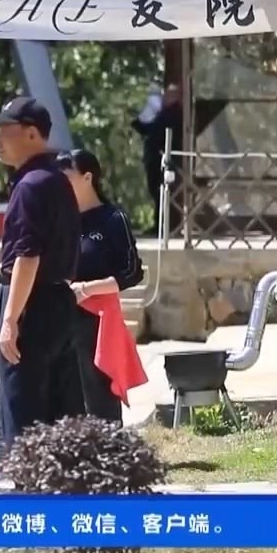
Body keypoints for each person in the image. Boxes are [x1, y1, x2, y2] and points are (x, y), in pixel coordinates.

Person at [0, 96, 82, 450]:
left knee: (24, 413)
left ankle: (26, 481)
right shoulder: (56, 180)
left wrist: (10, 320)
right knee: (58, 414)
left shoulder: (31, 185)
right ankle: (58, 479)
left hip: (30, 302)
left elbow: (27, 255)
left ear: (31, 134)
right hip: (58, 301)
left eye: (5, 131)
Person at [56, 149, 144, 422]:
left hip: (97, 321)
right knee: (65, 398)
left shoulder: (113, 219)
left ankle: (108, 446)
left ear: (87, 177)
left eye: (66, 175)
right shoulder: (59, 220)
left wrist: (86, 290)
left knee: (99, 398)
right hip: (60, 318)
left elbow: (132, 272)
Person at [132, 82, 183, 233]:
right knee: (157, 192)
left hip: (163, 158)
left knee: (162, 191)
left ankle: (164, 226)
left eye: (169, 95)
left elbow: (156, 132)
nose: (165, 98)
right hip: (156, 158)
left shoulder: (172, 114)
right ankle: (160, 224)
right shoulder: (165, 113)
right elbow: (148, 130)